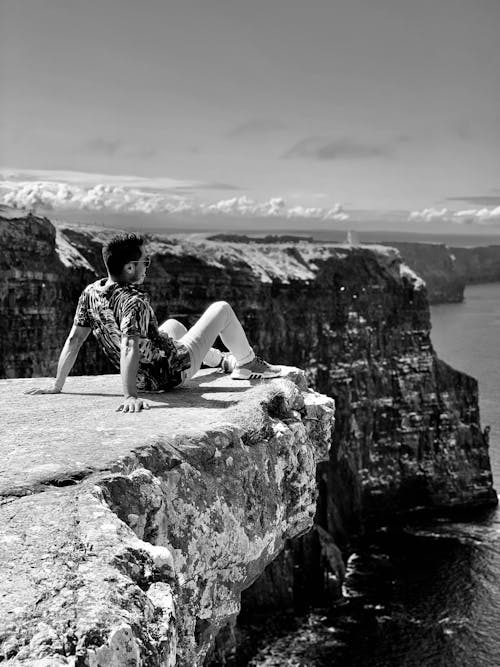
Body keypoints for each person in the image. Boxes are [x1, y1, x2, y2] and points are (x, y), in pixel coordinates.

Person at [26, 233, 281, 413]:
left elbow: (74, 339)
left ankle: (220, 361)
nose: (147, 267)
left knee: (172, 326)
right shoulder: (134, 301)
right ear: (128, 267)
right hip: (170, 374)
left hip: (141, 378)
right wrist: (129, 397)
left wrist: (57, 385)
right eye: (144, 262)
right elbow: (129, 346)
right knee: (221, 309)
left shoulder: (91, 292)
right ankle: (247, 363)